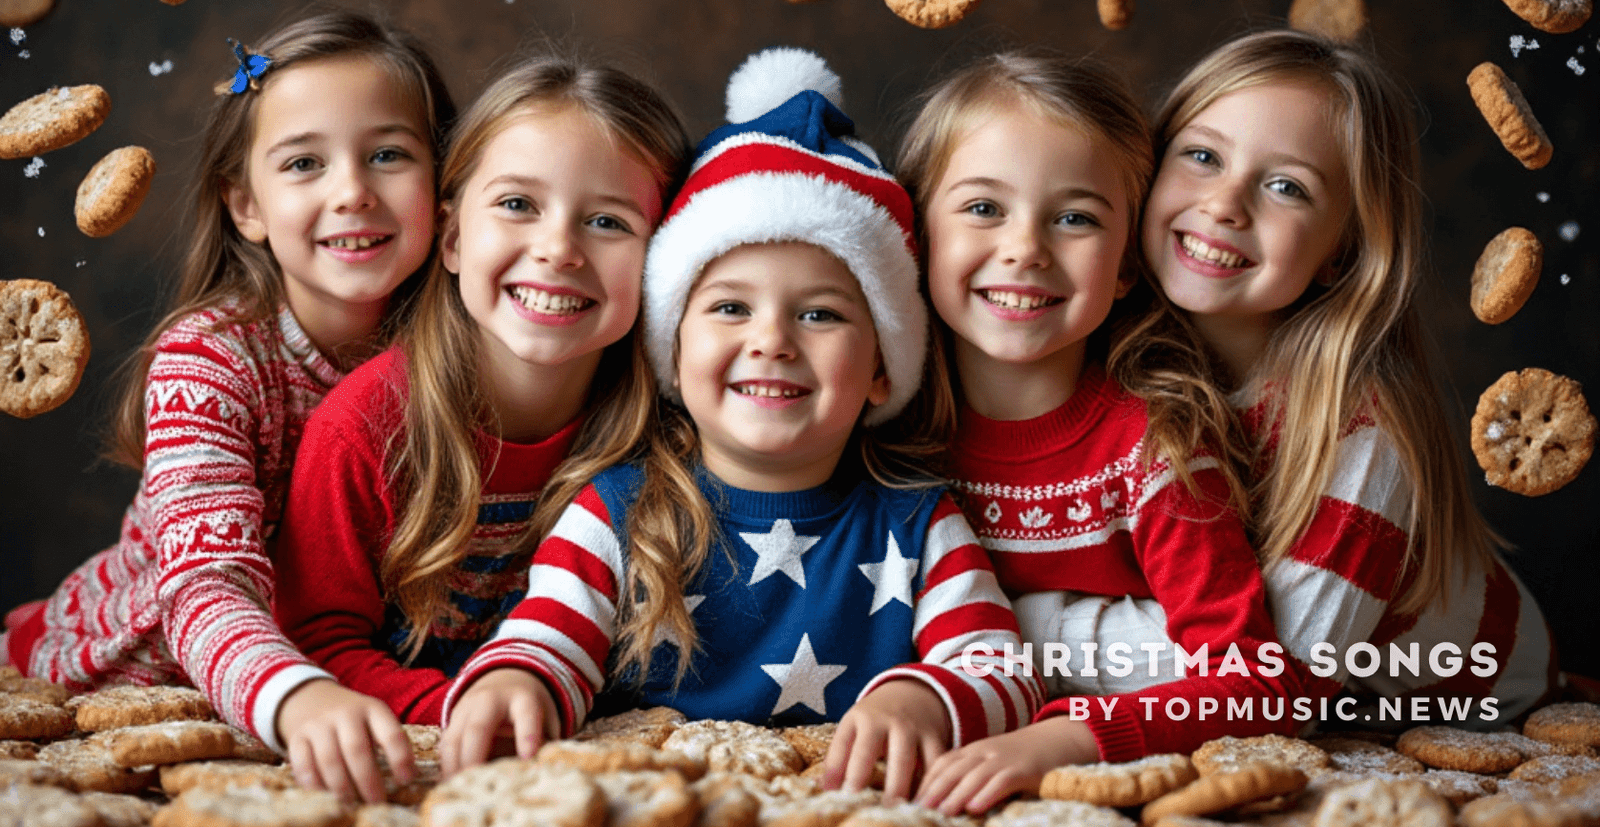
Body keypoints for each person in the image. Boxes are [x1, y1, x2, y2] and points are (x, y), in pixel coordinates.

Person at [438, 48, 1043, 803]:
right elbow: (547, 639)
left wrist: (927, 698)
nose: (773, 341)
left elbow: (1001, 668)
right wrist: (515, 681)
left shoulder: (919, 527)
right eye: (730, 307)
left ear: (884, 367)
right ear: (674, 346)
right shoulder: (615, 515)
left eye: (819, 313)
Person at [1008, 30, 1556, 735]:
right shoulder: (1107, 355)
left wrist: (1020, 622)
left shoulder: (1363, 435)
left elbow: (1276, 674)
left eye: (1287, 187)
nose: (1226, 204)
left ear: (1342, 252)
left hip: (1469, 713)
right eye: (1202, 156)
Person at [2, 10, 452, 755]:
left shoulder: (458, 352)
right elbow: (205, 585)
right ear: (246, 206)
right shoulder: (209, 362)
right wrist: (298, 696)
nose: (353, 192)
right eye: (305, 163)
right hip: (141, 682)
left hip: (347, 682)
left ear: (442, 179)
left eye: (389, 154)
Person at [896, 48, 1328, 814]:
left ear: (1126, 265)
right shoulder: (884, 430)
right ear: (917, 232)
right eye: (983, 207)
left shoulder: (1158, 450)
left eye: (1075, 218)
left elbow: (1258, 683)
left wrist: (1070, 739)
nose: (1025, 248)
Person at [271, 55, 691, 803]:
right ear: (454, 236)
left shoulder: (665, 441)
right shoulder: (367, 429)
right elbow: (314, 645)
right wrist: (475, 712)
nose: (559, 249)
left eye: (607, 222)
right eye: (519, 206)